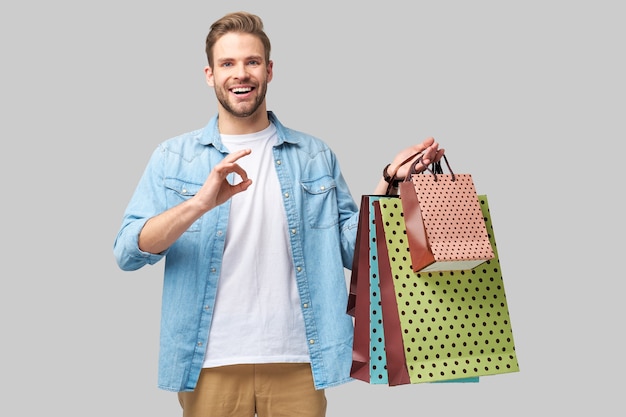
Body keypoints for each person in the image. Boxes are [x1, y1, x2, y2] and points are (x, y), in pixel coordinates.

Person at [113, 11, 443, 417]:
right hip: (209, 363)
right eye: (228, 63)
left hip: (300, 359)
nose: (241, 74)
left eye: (252, 62)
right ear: (209, 74)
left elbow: (353, 251)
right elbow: (128, 252)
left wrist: (390, 181)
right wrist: (200, 203)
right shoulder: (172, 158)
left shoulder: (314, 154)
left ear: (269, 71)